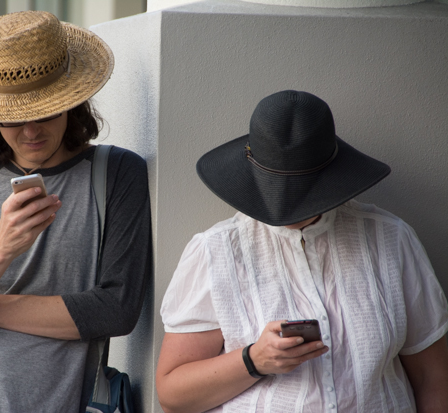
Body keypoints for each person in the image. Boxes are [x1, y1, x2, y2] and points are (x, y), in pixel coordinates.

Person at [0, 11, 152, 412]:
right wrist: (0, 248)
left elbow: (116, 310)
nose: (31, 130)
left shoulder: (117, 174)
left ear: (71, 101)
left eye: (46, 112)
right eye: (14, 118)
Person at [156, 90, 448, 413]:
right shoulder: (216, 252)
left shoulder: (391, 239)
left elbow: (432, 377)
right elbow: (172, 395)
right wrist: (253, 360)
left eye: (303, 191)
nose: (289, 208)